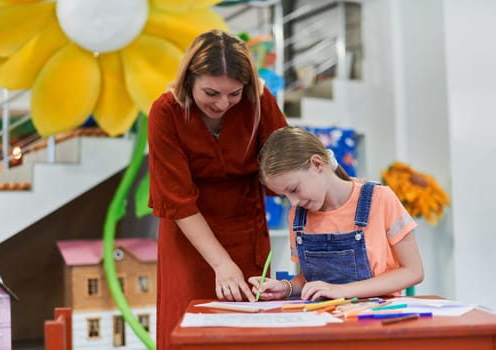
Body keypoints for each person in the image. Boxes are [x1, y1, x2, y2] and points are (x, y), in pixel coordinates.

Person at [147, 29, 287, 349]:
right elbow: (177, 200)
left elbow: (288, 162)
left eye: (234, 94)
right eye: (211, 93)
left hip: (247, 231)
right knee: (188, 324)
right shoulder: (165, 112)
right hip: (188, 237)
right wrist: (222, 264)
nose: (223, 104)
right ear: (188, 81)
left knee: (249, 331)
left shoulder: (260, 101)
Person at [248, 126, 424, 301]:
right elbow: (311, 278)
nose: (293, 202)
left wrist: (342, 290)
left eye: (294, 189)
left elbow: (413, 271)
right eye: (285, 196)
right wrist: (286, 287)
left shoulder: (381, 199)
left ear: (317, 164)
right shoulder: (298, 215)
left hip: (375, 317)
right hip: (323, 317)